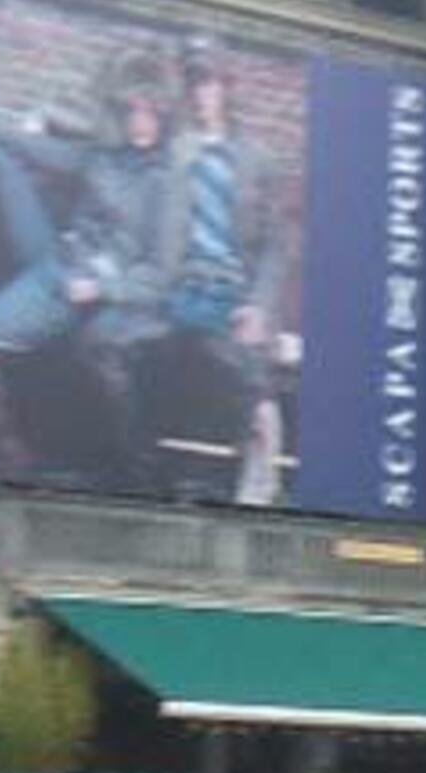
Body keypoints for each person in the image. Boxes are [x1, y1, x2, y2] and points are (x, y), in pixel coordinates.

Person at [0, 50, 176, 482]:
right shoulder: (101, 157)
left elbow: (160, 276)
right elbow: (44, 150)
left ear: (164, 114)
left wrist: (103, 289)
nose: (139, 121)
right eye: (131, 109)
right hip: (60, 263)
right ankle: (8, 451)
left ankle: (128, 465)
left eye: (150, 110)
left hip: (107, 290)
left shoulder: (168, 182)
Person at [160, 34, 290, 506]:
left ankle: (259, 482)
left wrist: (259, 305)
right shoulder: (173, 147)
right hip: (181, 285)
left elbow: (277, 244)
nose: (201, 93)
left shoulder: (257, 160)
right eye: (195, 81)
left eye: (210, 82)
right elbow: (104, 139)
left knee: (250, 366)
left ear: (227, 87)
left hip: (233, 291)